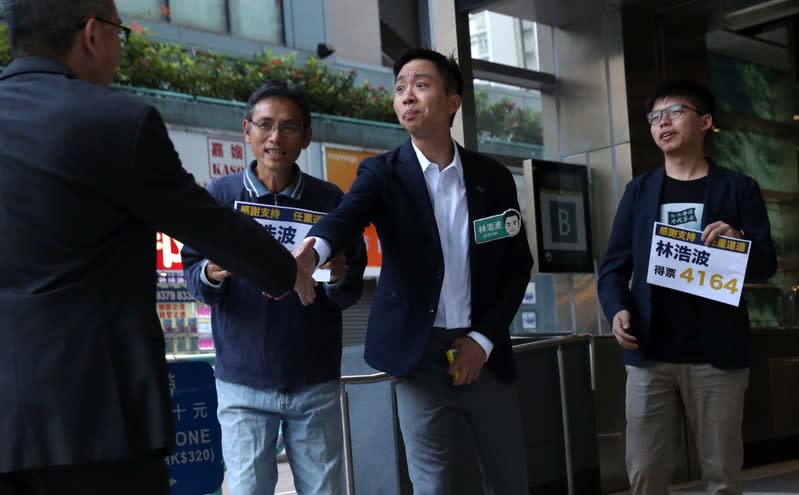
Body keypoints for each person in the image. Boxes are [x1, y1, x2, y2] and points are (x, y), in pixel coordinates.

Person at [0, 1, 317, 494]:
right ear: (91, 34)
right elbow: (204, 222)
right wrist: (285, 270)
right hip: (96, 418)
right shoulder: (114, 122)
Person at [299, 48, 534, 494]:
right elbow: (347, 216)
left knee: (507, 478)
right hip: (417, 352)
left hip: (483, 348)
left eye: (421, 85)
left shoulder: (492, 178)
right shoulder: (382, 174)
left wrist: (482, 341)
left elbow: (517, 265)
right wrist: (311, 255)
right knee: (432, 485)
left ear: (452, 102)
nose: (408, 96)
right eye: (400, 87)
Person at [181, 80, 366, 495]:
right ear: (246, 131)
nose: (275, 138)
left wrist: (336, 274)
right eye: (264, 125)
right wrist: (213, 271)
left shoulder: (330, 201)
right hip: (242, 385)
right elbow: (192, 270)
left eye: (288, 127)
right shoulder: (219, 197)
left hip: (314, 382)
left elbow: (351, 285)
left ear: (307, 136)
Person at [597, 80, 777, 495]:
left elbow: (766, 263)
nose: (663, 123)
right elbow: (612, 268)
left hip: (717, 355)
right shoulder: (639, 192)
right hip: (649, 353)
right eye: (655, 117)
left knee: (722, 476)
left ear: (705, 122)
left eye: (675, 112)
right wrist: (616, 309)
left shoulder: (738, 188)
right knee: (644, 472)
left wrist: (737, 240)